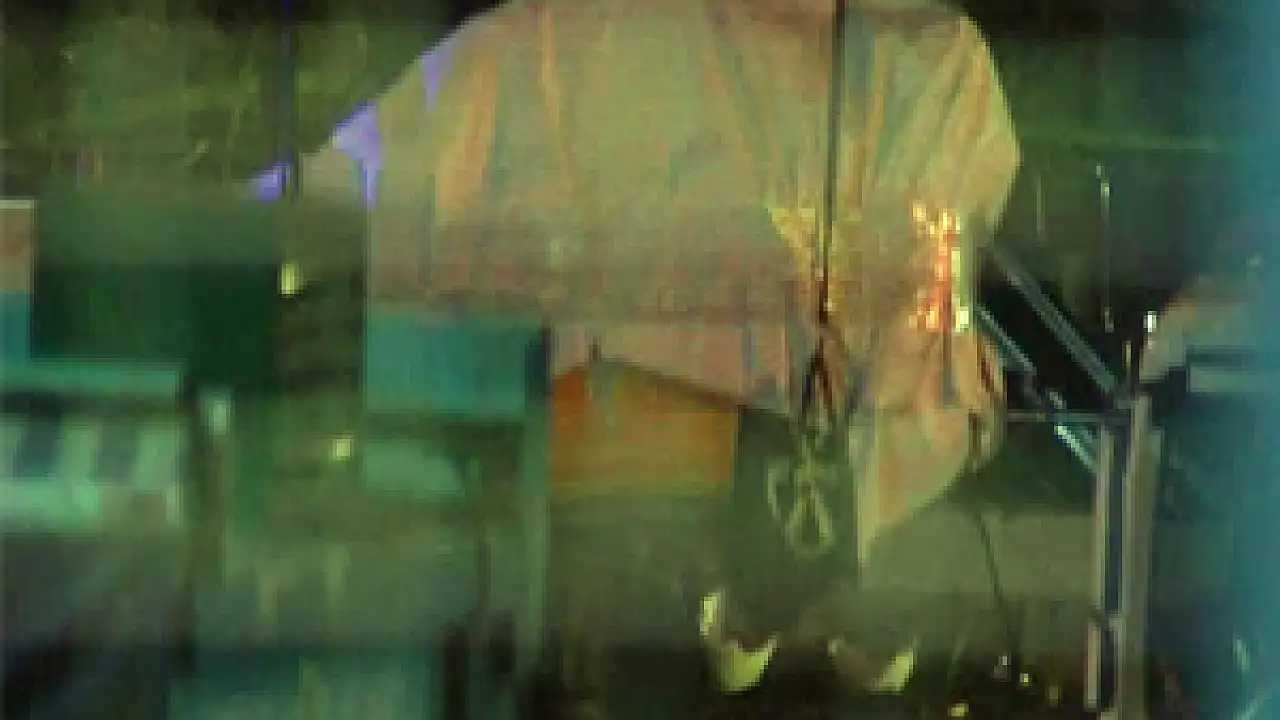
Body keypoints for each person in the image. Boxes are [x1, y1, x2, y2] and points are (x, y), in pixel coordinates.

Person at [257, 0, 1019, 711]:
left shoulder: (925, 62)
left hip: (789, 623)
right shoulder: (547, 46)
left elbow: (922, 392)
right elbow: (295, 219)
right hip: (599, 620)